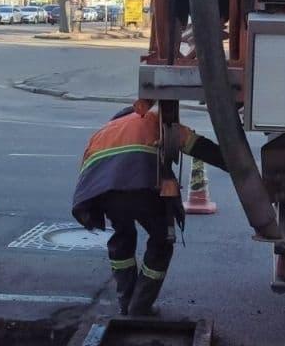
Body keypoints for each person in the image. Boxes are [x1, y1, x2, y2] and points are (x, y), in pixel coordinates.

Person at [72, 99, 227, 316]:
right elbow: (195, 144)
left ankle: (126, 301)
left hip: (108, 193)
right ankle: (140, 306)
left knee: (123, 237)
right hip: (143, 185)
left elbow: (87, 177)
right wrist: (235, 164)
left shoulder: (103, 131)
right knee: (161, 241)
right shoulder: (151, 119)